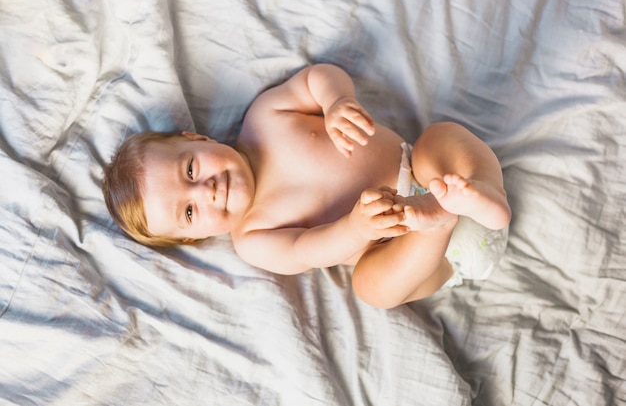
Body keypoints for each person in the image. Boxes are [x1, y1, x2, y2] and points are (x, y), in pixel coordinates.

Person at [102, 64, 511, 309]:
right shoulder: (253, 238)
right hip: (422, 251)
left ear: (197, 140)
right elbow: (306, 250)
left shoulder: (265, 117)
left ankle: (484, 192)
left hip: (439, 179)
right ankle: (438, 222)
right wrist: (357, 229)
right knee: (371, 288)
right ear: (197, 237)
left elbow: (317, 77)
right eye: (189, 212)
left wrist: (334, 102)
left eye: (189, 170)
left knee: (435, 141)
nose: (205, 190)